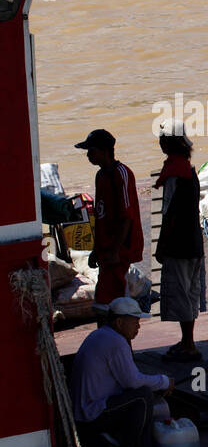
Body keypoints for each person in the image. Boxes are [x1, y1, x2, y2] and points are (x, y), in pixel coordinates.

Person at [71, 296, 174, 447]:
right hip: (91, 416)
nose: (138, 327)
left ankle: (118, 437)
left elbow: (126, 379)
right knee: (142, 397)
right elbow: (132, 381)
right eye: (134, 322)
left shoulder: (102, 334)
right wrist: (163, 382)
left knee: (143, 391)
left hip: (86, 411)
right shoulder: (115, 341)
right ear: (119, 322)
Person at [74, 129, 143, 313]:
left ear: (105, 151)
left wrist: (114, 251)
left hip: (119, 250)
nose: (88, 155)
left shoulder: (122, 174)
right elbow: (101, 216)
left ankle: (116, 338)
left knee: (109, 303)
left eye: (91, 150)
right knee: (110, 300)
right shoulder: (101, 176)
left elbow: (127, 217)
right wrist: (97, 249)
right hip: (107, 249)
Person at [154, 120, 207, 361]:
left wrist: (161, 246)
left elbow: (169, 213)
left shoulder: (175, 172)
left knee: (182, 292)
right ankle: (188, 341)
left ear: (168, 143)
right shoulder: (188, 169)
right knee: (190, 291)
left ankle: (188, 345)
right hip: (194, 241)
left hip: (180, 244)